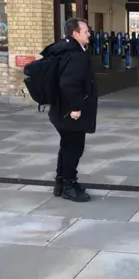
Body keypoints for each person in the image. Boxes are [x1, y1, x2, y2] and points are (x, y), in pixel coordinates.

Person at [47, 18, 98, 202]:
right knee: (74, 148)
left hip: (59, 110)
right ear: (75, 34)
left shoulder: (64, 50)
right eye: (86, 32)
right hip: (70, 112)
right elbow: (69, 84)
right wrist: (76, 108)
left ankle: (61, 183)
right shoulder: (76, 55)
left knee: (66, 146)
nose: (89, 34)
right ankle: (69, 185)